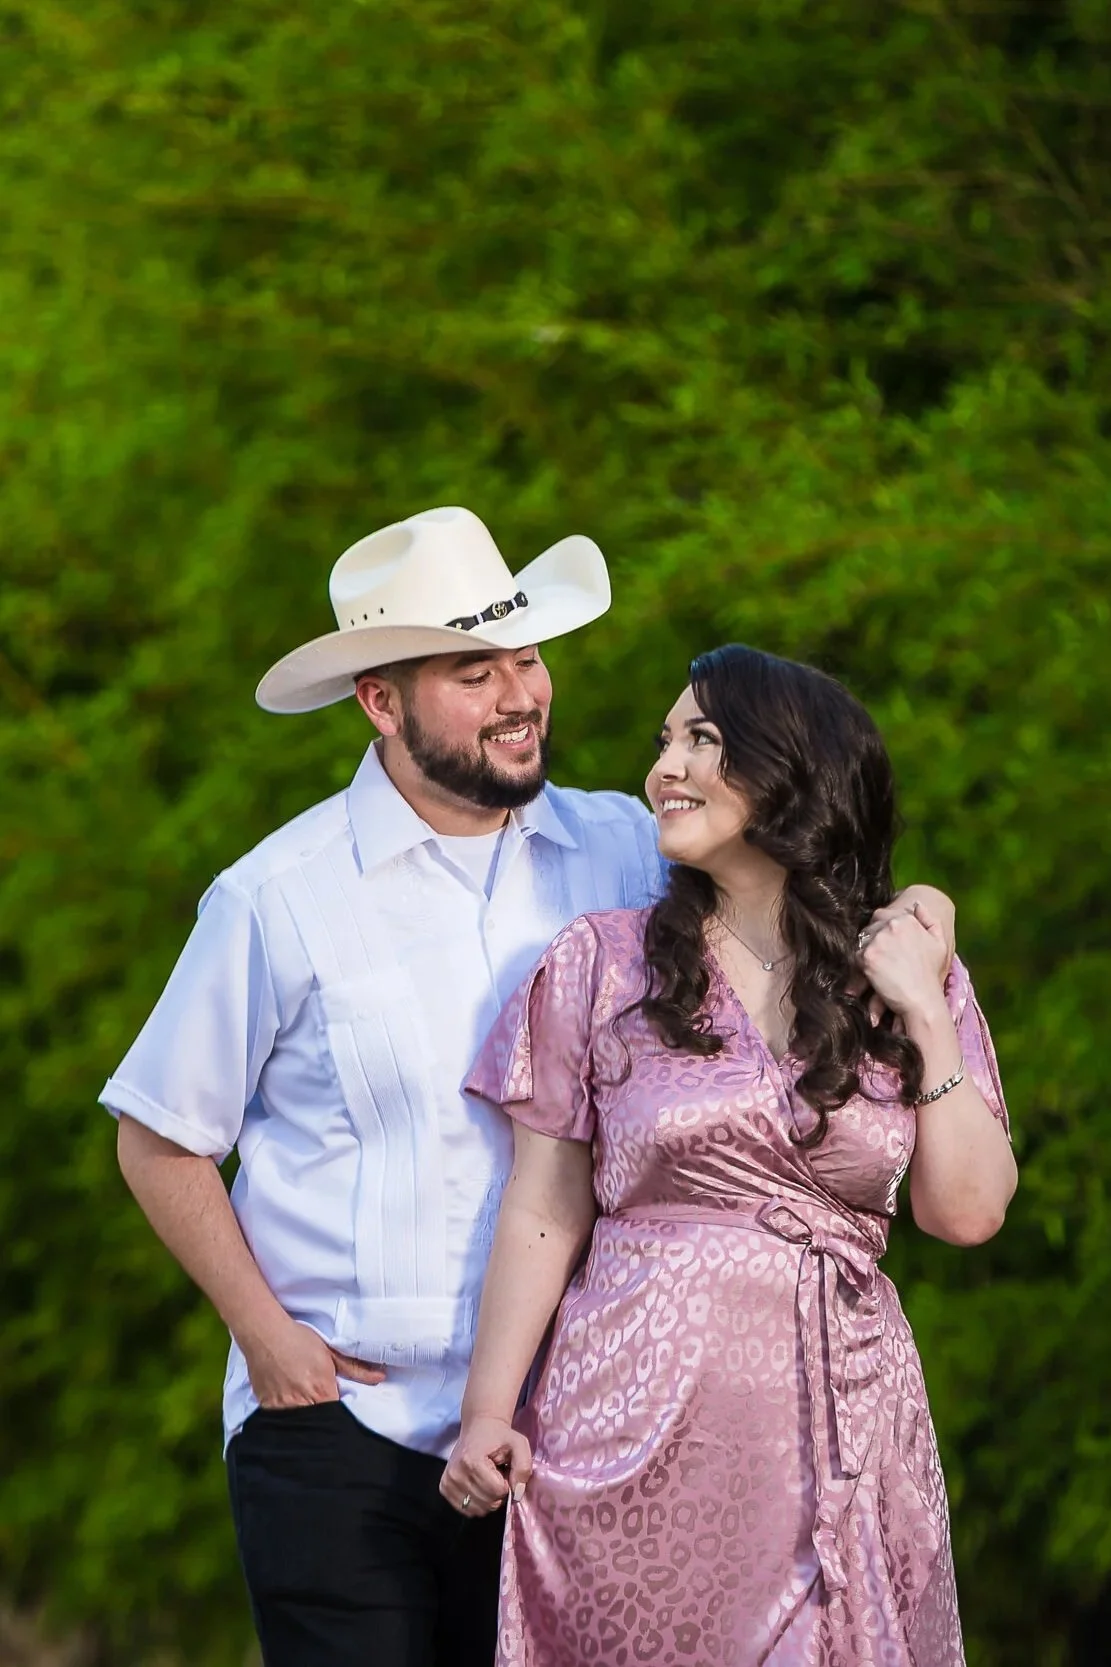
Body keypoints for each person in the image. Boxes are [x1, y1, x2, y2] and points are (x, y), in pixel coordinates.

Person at [101, 507, 953, 1667]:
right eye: (472, 672)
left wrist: (924, 915)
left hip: (564, 1430)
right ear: (381, 702)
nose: (519, 695)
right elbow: (158, 1135)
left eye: (527, 658)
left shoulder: (623, 849)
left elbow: (789, 868)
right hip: (341, 1426)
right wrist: (265, 1335)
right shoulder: (277, 898)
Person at [442, 644, 1016, 1667]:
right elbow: (542, 1204)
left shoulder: (910, 968)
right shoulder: (598, 960)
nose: (664, 765)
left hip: (840, 1414)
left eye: (701, 737)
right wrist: (488, 1408)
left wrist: (925, 1005)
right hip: (629, 1417)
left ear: (793, 764)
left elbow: (967, 1211)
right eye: (663, 740)